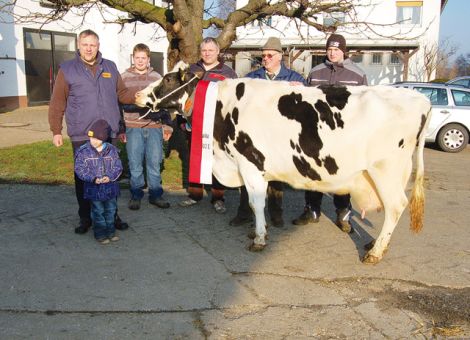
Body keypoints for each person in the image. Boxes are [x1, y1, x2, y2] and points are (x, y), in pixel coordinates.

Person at [48, 29, 135, 234]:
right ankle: (85, 217)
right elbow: (57, 102)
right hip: (82, 133)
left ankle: (112, 215)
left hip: (109, 133)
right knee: (84, 177)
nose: (89, 48)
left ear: (98, 46)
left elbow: (121, 95)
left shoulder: (110, 67)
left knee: (111, 175)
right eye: (85, 44)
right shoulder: (67, 69)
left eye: (93, 44)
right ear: (79, 45)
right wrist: (56, 130)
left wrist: (137, 99)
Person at [292, 33, 368, 233]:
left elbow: (363, 107)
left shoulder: (358, 75)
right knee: (313, 173)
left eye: (336, 49)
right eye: (329, 49)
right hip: (316, 134)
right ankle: (312, 210)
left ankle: (343, 213)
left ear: (343, 51)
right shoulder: (316, 72)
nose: (332, 53)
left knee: (342, 176)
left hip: (344, 136)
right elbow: (307, 101)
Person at [229, 37, 306, 228]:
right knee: (249, 175)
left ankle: (276, 213)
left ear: (280, 56)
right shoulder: (253, 78)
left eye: (270, 55)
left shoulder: (294, 79)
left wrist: (303, 90)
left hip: (279, 136)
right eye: (263, 56)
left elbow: (308, 104)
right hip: (254, 136)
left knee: (275, 177)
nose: (265, 59)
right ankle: (245, 212)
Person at [178, 37, 238, 214]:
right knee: (195, 158)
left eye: (211, 50)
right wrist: (182, 120)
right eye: (204, 50)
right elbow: (183, 97)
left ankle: (218, 198)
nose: (207, 53)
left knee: (219, 161)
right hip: (194, 125)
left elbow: (234, 100)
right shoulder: (191, 70)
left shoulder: (228, 73)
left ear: (218, 52)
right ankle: (195, 194)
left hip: (218, 127)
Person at [121, 43, 173, 211]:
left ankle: (156, 194)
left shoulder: (157, 77)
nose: (140, 61)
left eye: (143, 58)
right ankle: (136, 194)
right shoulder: (124, 77)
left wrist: (167, 126)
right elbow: (119, 102)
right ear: (133, 58)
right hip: (132, 126)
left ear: (148, 59)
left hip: (154, 126)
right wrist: (121, 129)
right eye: (137, 58)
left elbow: (165, 103)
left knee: (154, 162)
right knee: (135, 163)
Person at [74, 119, 123, 244]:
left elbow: (118, 167)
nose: (93, 141)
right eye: (91, 138)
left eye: (96, 139)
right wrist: (92, 178)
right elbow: (79, 169)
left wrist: (110, 176)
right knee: (97, 212)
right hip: (94, 190)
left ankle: (111, 232)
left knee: (111, 211)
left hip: (110, 189)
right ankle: (100, 234)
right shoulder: (83, 151)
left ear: (104, 138)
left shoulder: (112, 150)